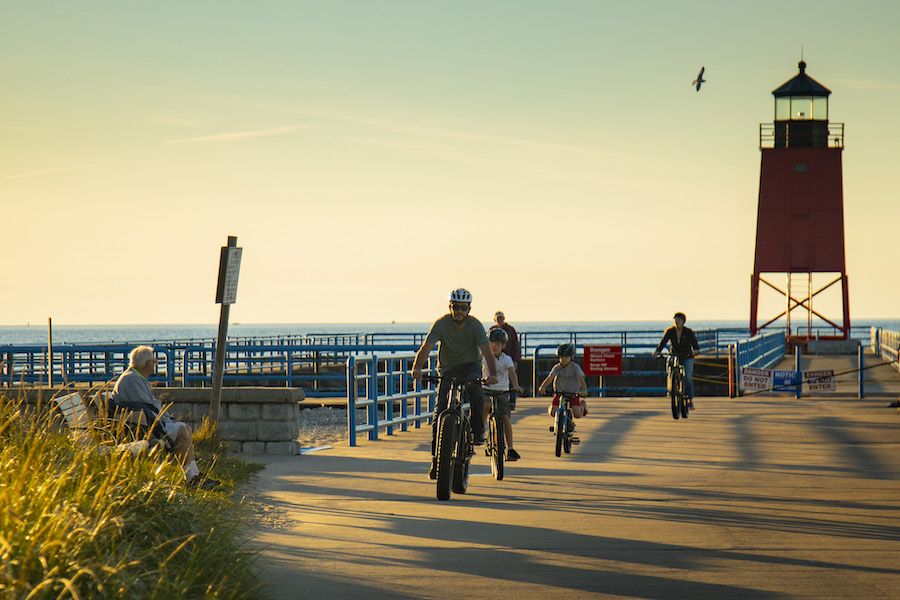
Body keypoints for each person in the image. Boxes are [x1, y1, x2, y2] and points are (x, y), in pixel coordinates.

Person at [412, 288, 499, 479]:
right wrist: (417, 368)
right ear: (450, 307)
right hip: (448, 368)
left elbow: (486, 352)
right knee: (440, 410)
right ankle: (436, 460)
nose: (459, 311)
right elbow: (427, 347)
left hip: (471, 366)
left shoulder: (475, 325)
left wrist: (492, 374)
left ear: (469, 308)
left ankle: (477, 431)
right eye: (456, 307)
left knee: (476, 391)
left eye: (463, 308)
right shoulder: (441, 324)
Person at [110, 346, 219, 489]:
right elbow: (148, 407)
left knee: (184, 428)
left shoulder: (135, 377)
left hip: (145, 423)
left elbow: (150, 406)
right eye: (155, 362)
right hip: (142, 427)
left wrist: (168, 419)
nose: (156, 364)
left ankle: (194, 474)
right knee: (182, 430)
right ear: (148, 364)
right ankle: (191, 477)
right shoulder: (131, 380)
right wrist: (167, 420)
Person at [482, 328, 525, 461]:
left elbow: (512, 372)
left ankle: (510, 448)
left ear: (504, 346)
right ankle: (481, 428)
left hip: (502, 391)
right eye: (491, 343)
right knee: (486, 404)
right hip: (486, 389)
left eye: (498, 344)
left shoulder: (507, 359)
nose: (494, 347)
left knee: (505, 417)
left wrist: (516, 385)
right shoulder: (483, 358)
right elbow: (478, 369)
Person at [651, 312, 700, 409]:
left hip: (687, 355)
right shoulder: (670, 331)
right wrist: (657, 351)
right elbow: (663, 342)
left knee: (688, 378)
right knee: (670, 367)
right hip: (674, 354)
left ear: (683, 321)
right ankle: (671, 389)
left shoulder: (688, 332)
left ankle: (689, 400)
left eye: (679, 320)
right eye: (675, 320)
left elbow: (695, 343)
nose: (677, 321)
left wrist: (696, 350)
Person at [538, 343, 588, 418]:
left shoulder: (575, 367)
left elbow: (581, 379)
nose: (563, 359)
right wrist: (542, 387)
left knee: (577, 414)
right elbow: (550, 377)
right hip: (559, 391)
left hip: (573, 392)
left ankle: (582, 405)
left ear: (571, 357)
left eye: (566, 357)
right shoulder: (557, 367)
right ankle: (551, 408)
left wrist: (584, 390)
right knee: (553, 412)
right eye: (561, 357)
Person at [490, 311, 521, 409]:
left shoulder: (510, 330)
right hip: (495, 358)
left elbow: (516, 345)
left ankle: (511, 402)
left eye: (501, 318)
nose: (499, 320)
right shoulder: (492, 329)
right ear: (495, 319)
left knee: (511, 379)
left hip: (509, 357)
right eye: (498, 318)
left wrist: (515, 360)